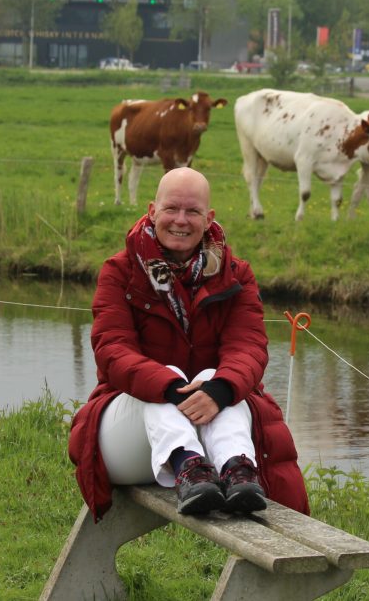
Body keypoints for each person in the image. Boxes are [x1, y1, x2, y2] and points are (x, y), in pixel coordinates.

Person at [68, 167, 309, 521]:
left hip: (206, 421)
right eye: (171, 209)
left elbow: (249, 347)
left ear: (208, 218)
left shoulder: (237, 275)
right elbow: (112, 349)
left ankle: (237, 470)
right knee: (162, 377)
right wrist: (171, 387)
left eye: (193, 212)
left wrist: (219, 391)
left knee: (224, 379)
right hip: (127, 439)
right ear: (152, 210)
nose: (181, 220)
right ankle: (188, 466)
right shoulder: (120, 272)